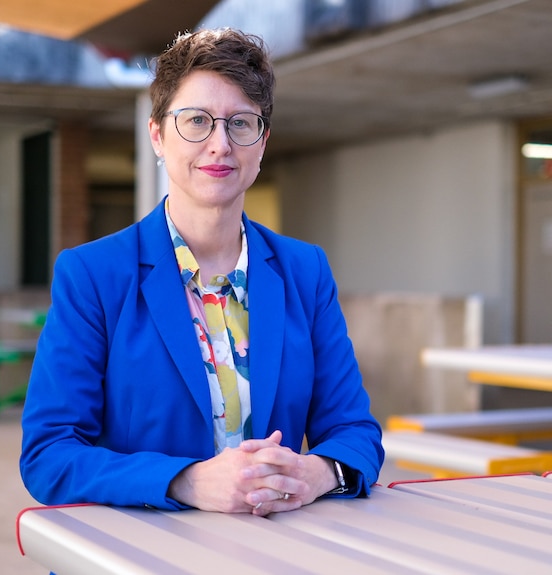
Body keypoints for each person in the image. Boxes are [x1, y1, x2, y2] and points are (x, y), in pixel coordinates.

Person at [19, 28, 384, 515]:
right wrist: (184, 482)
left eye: (240, 123)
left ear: (262, 142)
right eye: (196, 121)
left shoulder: (305, 270)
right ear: (157, 134)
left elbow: (355, 431)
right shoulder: (92, 274)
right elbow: (49, 456)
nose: (220, 144)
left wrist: (317, 473)